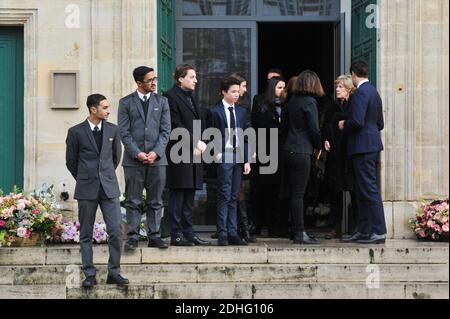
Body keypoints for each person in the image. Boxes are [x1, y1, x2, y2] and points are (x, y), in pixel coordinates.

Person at [65, 94, 129, 287]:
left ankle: (114, 272)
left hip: (109, 188)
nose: (108, 111)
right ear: (94, 110)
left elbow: (116, 157)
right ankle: (89, 274)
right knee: (85, 233)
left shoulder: (113, 129)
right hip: (86, 188)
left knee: (116, 230)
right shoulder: (75, 132)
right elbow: (71, 162)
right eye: (105, 107)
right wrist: (85, 177)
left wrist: (105, 175)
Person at [118, 66, 171, 250]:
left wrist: (156, 152)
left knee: (156, 200)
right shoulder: (125, 103)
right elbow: (124, 132)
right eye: (150, 80)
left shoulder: (162, 102)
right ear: (139, 83)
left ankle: (154, 235)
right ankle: (132, 236)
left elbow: (166, 131)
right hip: (134, 161)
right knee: (132, 200)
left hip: (158, 160)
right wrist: (138, 153)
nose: (154, 82)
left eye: (154, 78)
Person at [338, 61, 386, 244]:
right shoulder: (374, 92)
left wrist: (344, 124)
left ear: (353, 75)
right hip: (371, 145)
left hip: (362, 147)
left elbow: (357, 121)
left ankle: (378, 230)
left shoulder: (360, 94)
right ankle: (365, 230)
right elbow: (379, 123)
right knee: (363, 189)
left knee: (368, 189)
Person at [163, 64, 210, 246]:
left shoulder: (191, 97)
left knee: (190, 194)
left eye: (195, 77)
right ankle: (176, 234)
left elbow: (200, 122)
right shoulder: (170, 96)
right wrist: (193, 142)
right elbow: (174, 125)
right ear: (180, 78)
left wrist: (203, 142)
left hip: (195, 152)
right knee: (179, 193)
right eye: (192, 77)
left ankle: (188, 232)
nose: (196, 80)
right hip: (179, 152)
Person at [206, 77, 252, 246]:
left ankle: (233, 233)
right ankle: (222, 233)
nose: (236, 95)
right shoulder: (214, 111)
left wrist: (247, 160)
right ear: (223, 92)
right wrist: (215, 153)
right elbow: (208, 135)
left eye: (237, 91)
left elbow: (246, 137)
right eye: (232, 92)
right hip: (224, 155)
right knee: (224, 195)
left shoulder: (241, 111)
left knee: (234, 196)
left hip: (239, 156)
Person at [280, 70, 323, 245]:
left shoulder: (291, 101)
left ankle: (297, 231)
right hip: (302, 150)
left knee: (294, 193)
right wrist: (319, 146)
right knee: (299, 194)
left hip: (289, 149)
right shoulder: (310, 102)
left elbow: (283, 127)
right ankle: (299, 233)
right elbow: (314, 128)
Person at [322, 75, 358, 239]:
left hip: (349, 153)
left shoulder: (355, 104)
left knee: (353, 190)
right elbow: (324, 125)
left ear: (349, 89)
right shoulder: (331, 105)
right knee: (334, 190)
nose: (337, 89)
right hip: (335, 154)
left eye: (341, 87)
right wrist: (325, 140)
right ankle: (335, 226)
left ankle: (357, 227)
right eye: (337, 86)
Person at [252, 77, 287, 237]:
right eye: (280, 87)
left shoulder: (285, 104)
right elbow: (259, 126)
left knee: (277, 191)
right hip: (266, 151)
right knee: (264, 190)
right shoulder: (262, 104)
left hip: (280, 152)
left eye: (284, 87)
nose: (283, 90)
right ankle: (259, 224)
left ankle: (276, 227)